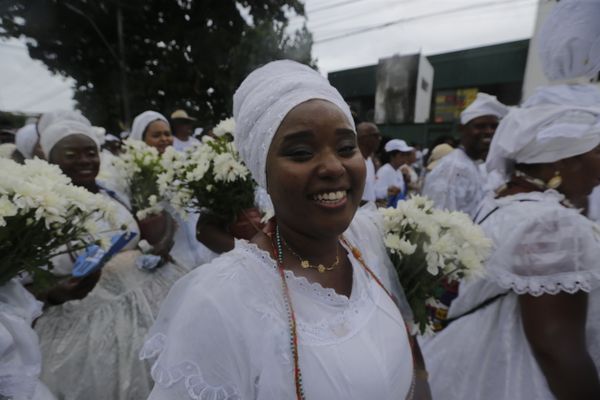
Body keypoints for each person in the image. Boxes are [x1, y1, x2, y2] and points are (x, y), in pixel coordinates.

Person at [141, 60, 429, 399]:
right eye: (301, 152)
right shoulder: (222, 301)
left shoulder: (364, 241)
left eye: (346, 148)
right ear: (263, 171)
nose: (334, 166)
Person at [422, 84, 600, 400]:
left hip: (471, 361)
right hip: (514, 375)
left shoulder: (503, 198)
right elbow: (556, 348)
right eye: (598, 151)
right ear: (562, 158)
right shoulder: (554, 224)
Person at [32, 119, 186, 400]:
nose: (84, 161)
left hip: (150, 297)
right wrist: (53, 294)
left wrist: (160, 246)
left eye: (91, 152)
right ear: (50, 159)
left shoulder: (113, 193)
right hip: (87, 323)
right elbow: (23, 285)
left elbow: (146, 227)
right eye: (71, 154)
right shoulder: (42, 209)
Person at [422, 93, 508, 218]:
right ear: (462, 129)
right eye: (480, 126)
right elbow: (440, 223)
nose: (489, 131)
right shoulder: (454, 168)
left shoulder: (474, 164)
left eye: (494, 126)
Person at [374, 139, 414, 206]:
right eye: (402, 155)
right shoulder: (384, 171)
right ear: (392, 156)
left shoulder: (398, 171)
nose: (405, 158)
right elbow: (376, 193)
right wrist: (388, 191)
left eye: (406, 155)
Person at [356, 122, 381, 203]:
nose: (379, 138)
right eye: (376, 135)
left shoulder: (370, 160)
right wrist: (370, 204)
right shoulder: (354, 163)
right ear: (363, 138)